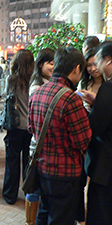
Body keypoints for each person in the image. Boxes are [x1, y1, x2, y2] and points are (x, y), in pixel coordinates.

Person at [28, 47, 92, 225]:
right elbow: (83, 140)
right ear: (77, 68)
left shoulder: (37, 92)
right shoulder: (71, 99)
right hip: (65, 173)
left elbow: (31, 128)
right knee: (61, 219)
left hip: (42, 168)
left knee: (44, 213)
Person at [80, 42, 112, 225]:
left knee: (100, 212)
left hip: (106, 165)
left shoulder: (108, 88)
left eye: (98, 62)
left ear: (107, 61)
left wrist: (95, 108)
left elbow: (96, 127)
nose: (96, 68)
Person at [25, 48, 55, 224]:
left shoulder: (49, 82)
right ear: (41, 64)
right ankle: (30, 220)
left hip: (45, 144)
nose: (53, 66)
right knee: (34, 186)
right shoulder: (37, 86)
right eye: (50, 63)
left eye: (54, 63)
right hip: (38, 145)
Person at [2, 49, 34, 205]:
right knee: (28, 162)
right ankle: (29, 193)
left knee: (12, 162)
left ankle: (10, 195)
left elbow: (6, 96)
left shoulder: (12, 79)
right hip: (30, 128)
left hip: (14, 126)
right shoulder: (34, 80)